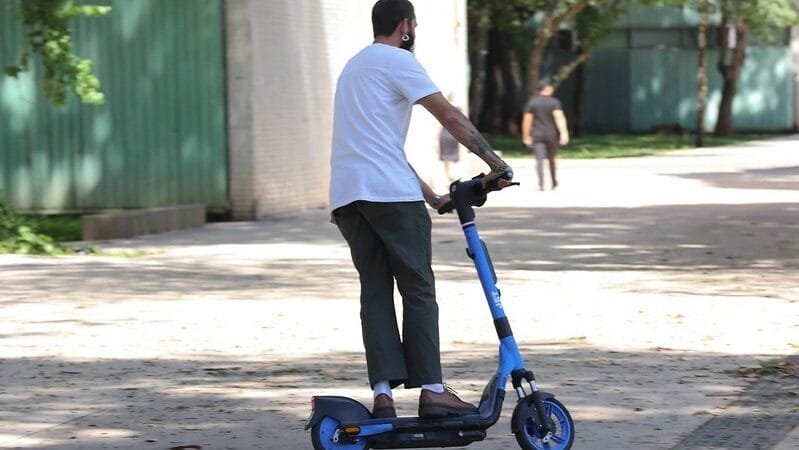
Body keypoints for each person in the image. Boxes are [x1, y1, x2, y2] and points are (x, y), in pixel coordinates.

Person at [329, 0, 511, 420]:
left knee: (375, 292)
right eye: (414, 24)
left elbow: (377, 147)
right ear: (405, 26)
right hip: (390, 198)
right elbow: (448, 114)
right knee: (417, 289)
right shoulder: (398, 60)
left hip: (348, 198)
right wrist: (495, 164)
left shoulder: (353, 68)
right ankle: (432, 390)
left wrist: (432, 196)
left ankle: (383, 397)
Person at [521, 80, 570, 190]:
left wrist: (526, 136)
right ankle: (553, 181)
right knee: (551, 158)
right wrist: (563, 133)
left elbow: (527, 120)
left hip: (537, 135)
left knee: (539, 159)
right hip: (551, 134)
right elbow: (559, 117)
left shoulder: (532, 103)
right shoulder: (554, 102)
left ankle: (541, 184)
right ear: (547, 89)